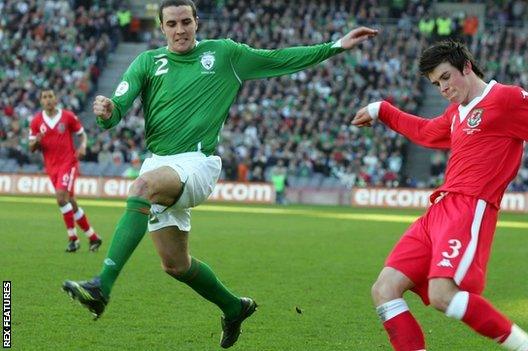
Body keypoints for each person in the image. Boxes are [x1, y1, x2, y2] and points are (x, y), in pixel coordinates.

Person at [61, 0, 377, 348]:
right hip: (159, 161)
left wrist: (335, 46)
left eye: (186, 22)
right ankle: (233, 306)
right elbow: (116, 109)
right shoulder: (147, 62)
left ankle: (102, 286)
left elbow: (279, 59)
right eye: (172, 24)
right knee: (175, 265)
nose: (180, 30)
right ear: (161, 27)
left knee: (142, 188)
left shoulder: (225, 54)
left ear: (197, 22)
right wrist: (106, 112)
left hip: (198, 162)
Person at [351, 40, 528, 351]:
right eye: (435, 83)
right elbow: (426, 132)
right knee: (384, 289)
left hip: (469, 208)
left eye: (445, 77)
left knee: (442, 294)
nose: (442, 88)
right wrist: (382, 110)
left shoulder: (506, 99)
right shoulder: (456, 112)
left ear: (466, 67)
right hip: (436, 212)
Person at [29, 89, 102, 253]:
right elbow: (31, 147)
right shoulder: (36, 122)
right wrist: (37, 142)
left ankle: (73, 239)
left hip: (68, 163)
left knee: (61, 198)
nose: (48, 100)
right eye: (44, 97)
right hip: (51, 167)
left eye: (50, 96)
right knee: (70, 201)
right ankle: (93, 237)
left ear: (56, 99)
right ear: (41, 101)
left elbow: (82, 135)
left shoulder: (68, 116)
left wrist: (83, 146)